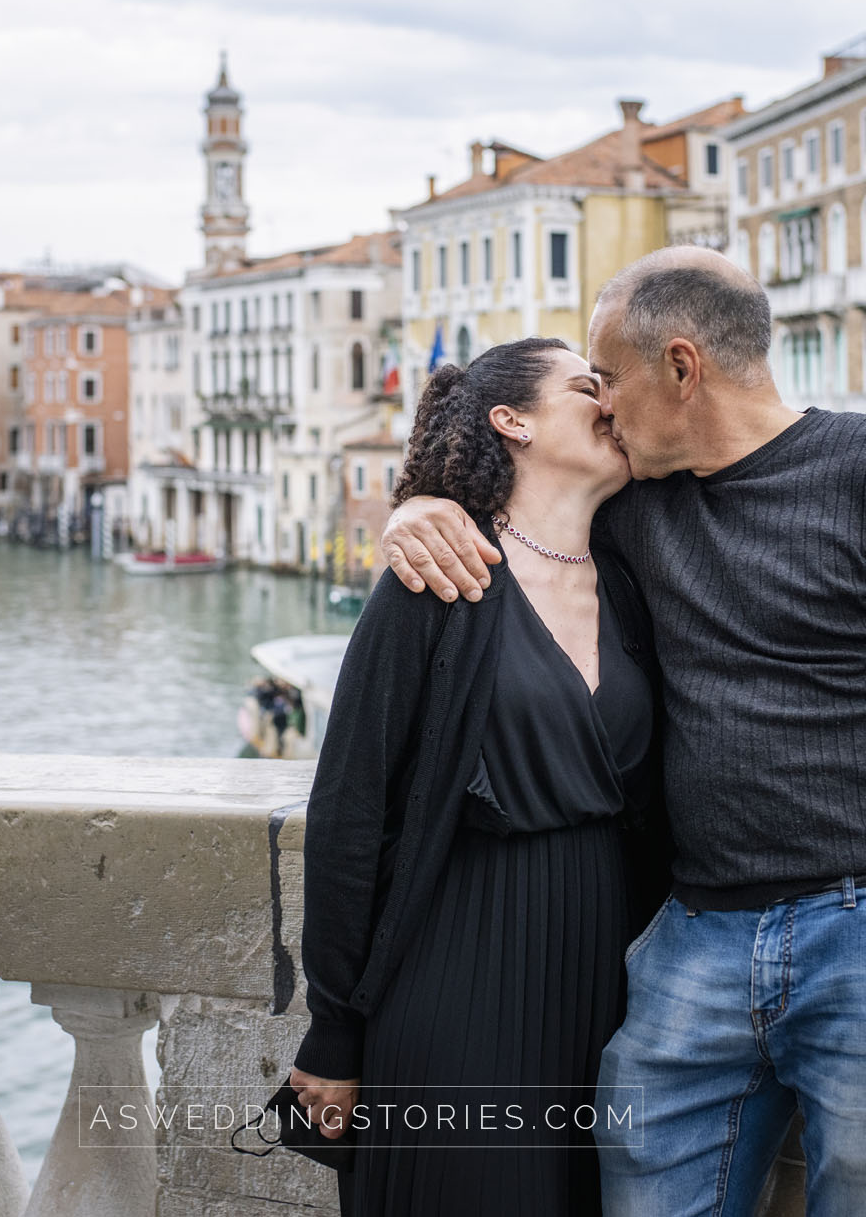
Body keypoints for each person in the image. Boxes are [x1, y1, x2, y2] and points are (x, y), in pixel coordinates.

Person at [379, 247, 866, 1216]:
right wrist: (418, 506)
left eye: (606, 380)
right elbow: (509, 509)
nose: (599, 407)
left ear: (681, 367)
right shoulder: (631, 505)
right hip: (691, 937)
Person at [287, 337, 672, 1216]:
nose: (611, 403)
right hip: (461, 965)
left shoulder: (635, 576)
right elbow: (350, 813)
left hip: (612, 979)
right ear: (513, 421)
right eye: (587, 388)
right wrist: (335, 1032)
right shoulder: (433, 580)